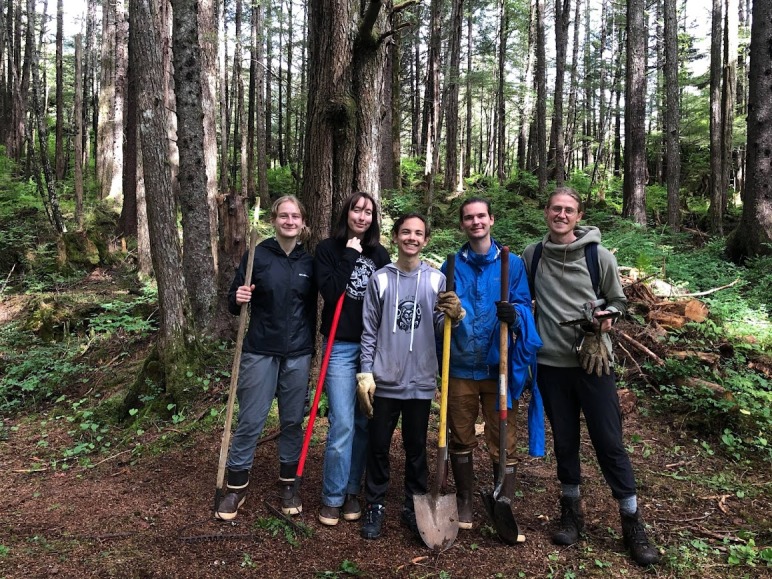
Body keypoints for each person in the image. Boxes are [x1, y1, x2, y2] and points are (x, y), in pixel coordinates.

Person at [521, 187, 659, 566]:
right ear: (546, 212)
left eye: (568, 210)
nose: (561, 215)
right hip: (550, 366)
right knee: (565, 441)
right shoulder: (532, 256)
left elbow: (618, 300)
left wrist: (605, 322)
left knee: (609, 442)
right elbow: (522, 299)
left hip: (593, 363)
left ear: (579, 216)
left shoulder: (599, 256)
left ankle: (632, 521)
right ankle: (571, 511)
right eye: (555, 209)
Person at [355, 213, 465, 540]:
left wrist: (455, 315)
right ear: (396, 236)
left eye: (418, 233)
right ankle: (374, 503)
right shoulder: (381, 280)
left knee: (416, 445)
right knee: (378, 445)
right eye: (406, 232)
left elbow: (439, 328)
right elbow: (369, 331)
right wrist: (365, 372)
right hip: (385, 379)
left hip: (420, 381)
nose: (412, 238)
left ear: (425, 240)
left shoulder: (435, 280)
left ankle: (413, 502)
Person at [442, 197, 543, 531]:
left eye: (481, 216)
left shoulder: (510, 264)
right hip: (459, 366)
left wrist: (515, 315)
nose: (475, 222)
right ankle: (465, 500)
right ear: (462, 224)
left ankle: (504, 500)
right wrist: (450, 311)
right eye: (469, 218)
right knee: (459, 434)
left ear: (491, 220)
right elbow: (438, 310)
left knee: (504, 438)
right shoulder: (452, 264)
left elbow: (524, 306)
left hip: (498, 366)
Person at [215, 195, 316, 521]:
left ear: (302, 222)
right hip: (260, 349)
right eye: (283, 216)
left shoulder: (308, 263)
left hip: (298, 353)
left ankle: (289, 484)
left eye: (295, 216)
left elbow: (313, 310)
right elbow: (233, 300)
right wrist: (238, 296)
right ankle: (236, 486)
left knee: (291, 421)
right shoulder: (256, 255)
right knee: (251, 419)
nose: (289, 221)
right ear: (274, 220)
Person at [314, 192, 390, 527]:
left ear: (374, 219)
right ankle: (331, 496)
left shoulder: (381, 255)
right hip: (340, 347)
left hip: (371, 349)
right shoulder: (327, 249)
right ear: (346, 213)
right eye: (356, 210)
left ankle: (352, 491)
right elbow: (330, 293)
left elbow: (390, 297)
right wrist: (348, 255)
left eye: (368, 212)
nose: (361, 216)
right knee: (342, 422)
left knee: (363, 422)